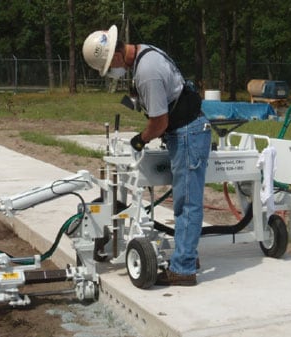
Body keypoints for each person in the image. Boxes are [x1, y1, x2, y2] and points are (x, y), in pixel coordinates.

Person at [82, 25, 211, 286]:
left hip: (187, 134)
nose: (113, 73)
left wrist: (141, 139)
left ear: (117, 56)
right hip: (188, 131)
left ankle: (183, 269)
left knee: (187, 204)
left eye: (109, 67)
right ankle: (186, 255)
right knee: (185, 202)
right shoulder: (146, 52)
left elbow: (159, 123)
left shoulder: (146, 72)